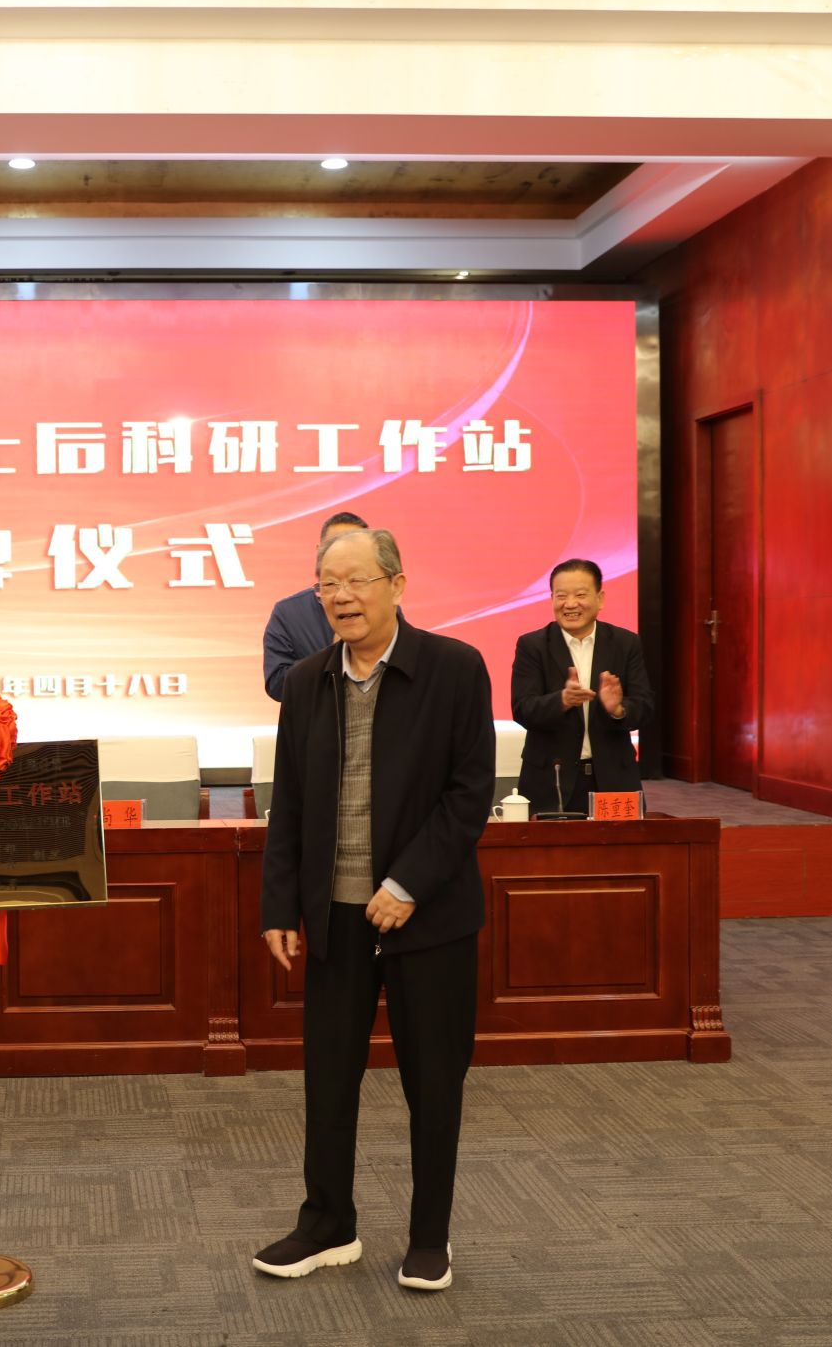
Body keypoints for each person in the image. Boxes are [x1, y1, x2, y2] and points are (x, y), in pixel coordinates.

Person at [255, 528, 495, 1294]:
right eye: (327, 583)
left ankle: (429, 1237)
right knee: (328, 1078)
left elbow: (470, 793)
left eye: (356, 580)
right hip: (335, 921)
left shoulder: (455, 668)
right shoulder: (307, 682)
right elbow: (290, 805)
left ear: (397, 583)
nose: (341, 596)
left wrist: (408, 882)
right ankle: (328, 1223)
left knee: (434, 1080)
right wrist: (280, 904)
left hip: (429, 918)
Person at [509, 558, 654, 816]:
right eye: (561, 596)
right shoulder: (532, 646)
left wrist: (618, 709)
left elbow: (644, 707)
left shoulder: (625, 643)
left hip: (613, 779)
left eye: (580, 595)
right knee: (548, 844)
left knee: (619, 843)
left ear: (600, 598)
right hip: (551, 779)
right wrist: (562, 700)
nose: (570, 604)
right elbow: (522, 709)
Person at [262, 511, 369, 701]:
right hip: (315, 718)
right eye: (336, 546)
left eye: (354, 548)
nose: (344, 555)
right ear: (320, 552)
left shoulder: (384, 607)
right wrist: (331, 657)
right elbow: (277, 685)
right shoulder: (288, 613)